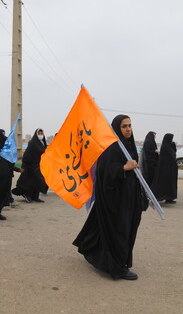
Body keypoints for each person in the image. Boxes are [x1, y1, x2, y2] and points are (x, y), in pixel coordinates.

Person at [73, 114, 145, 280]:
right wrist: (124, 168)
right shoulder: (112, 147)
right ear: (117, 128)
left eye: (129, 126)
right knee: (120, 232)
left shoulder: (129, 145)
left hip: (129, 199)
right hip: (116, 201)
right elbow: (104, 173)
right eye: (124, 126)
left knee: (125, 230)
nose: (128, 129)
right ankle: (118, 267)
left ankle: (93, 250)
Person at [11, 128, 48, 203]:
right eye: (39, 134)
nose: (41, 135)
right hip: (30, 165)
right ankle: (27, 194)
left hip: (38, 165)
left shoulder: (43, 143)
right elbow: (27, 155)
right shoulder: (33, 143)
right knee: (29, 181)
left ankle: (35, 197)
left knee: (38, 181)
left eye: (42, 133)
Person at [151, 133, 178, 204]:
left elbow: (174, 153)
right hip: (164, 170)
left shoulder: (169, 146)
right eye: (171, 138)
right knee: (162, 184)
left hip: (170, 169)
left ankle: (169, 198)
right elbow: (168, 158)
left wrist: (173, 144)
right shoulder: (165, 147)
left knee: (170, 184)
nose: (172, 140)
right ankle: (157, 198)